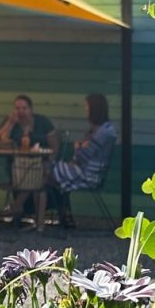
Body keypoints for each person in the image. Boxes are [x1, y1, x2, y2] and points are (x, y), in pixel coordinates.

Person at [43, 93, 117, 229]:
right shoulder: (102, 129)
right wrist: (81, 148)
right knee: (50, 174)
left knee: (46, 170)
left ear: (94, 109)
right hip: (85, 169)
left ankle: (52, 213)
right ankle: (63, 214)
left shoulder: (104, 131)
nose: (85, 110)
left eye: (87, 107)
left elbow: (85, 155)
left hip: (89, 174)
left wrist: (78, 148)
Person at [0, 95, 58, 225]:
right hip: (16, 164)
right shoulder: (11, 122)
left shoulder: (42, 122)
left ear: (31, 109)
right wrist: (10, 124)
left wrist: (50, 160)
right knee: (28, 173)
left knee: (36, 172)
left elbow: (54, 147)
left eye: (24, 108)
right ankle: (24, 212)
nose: (21, 111)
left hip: (41, 162)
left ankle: (16, 205)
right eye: (17, 108)